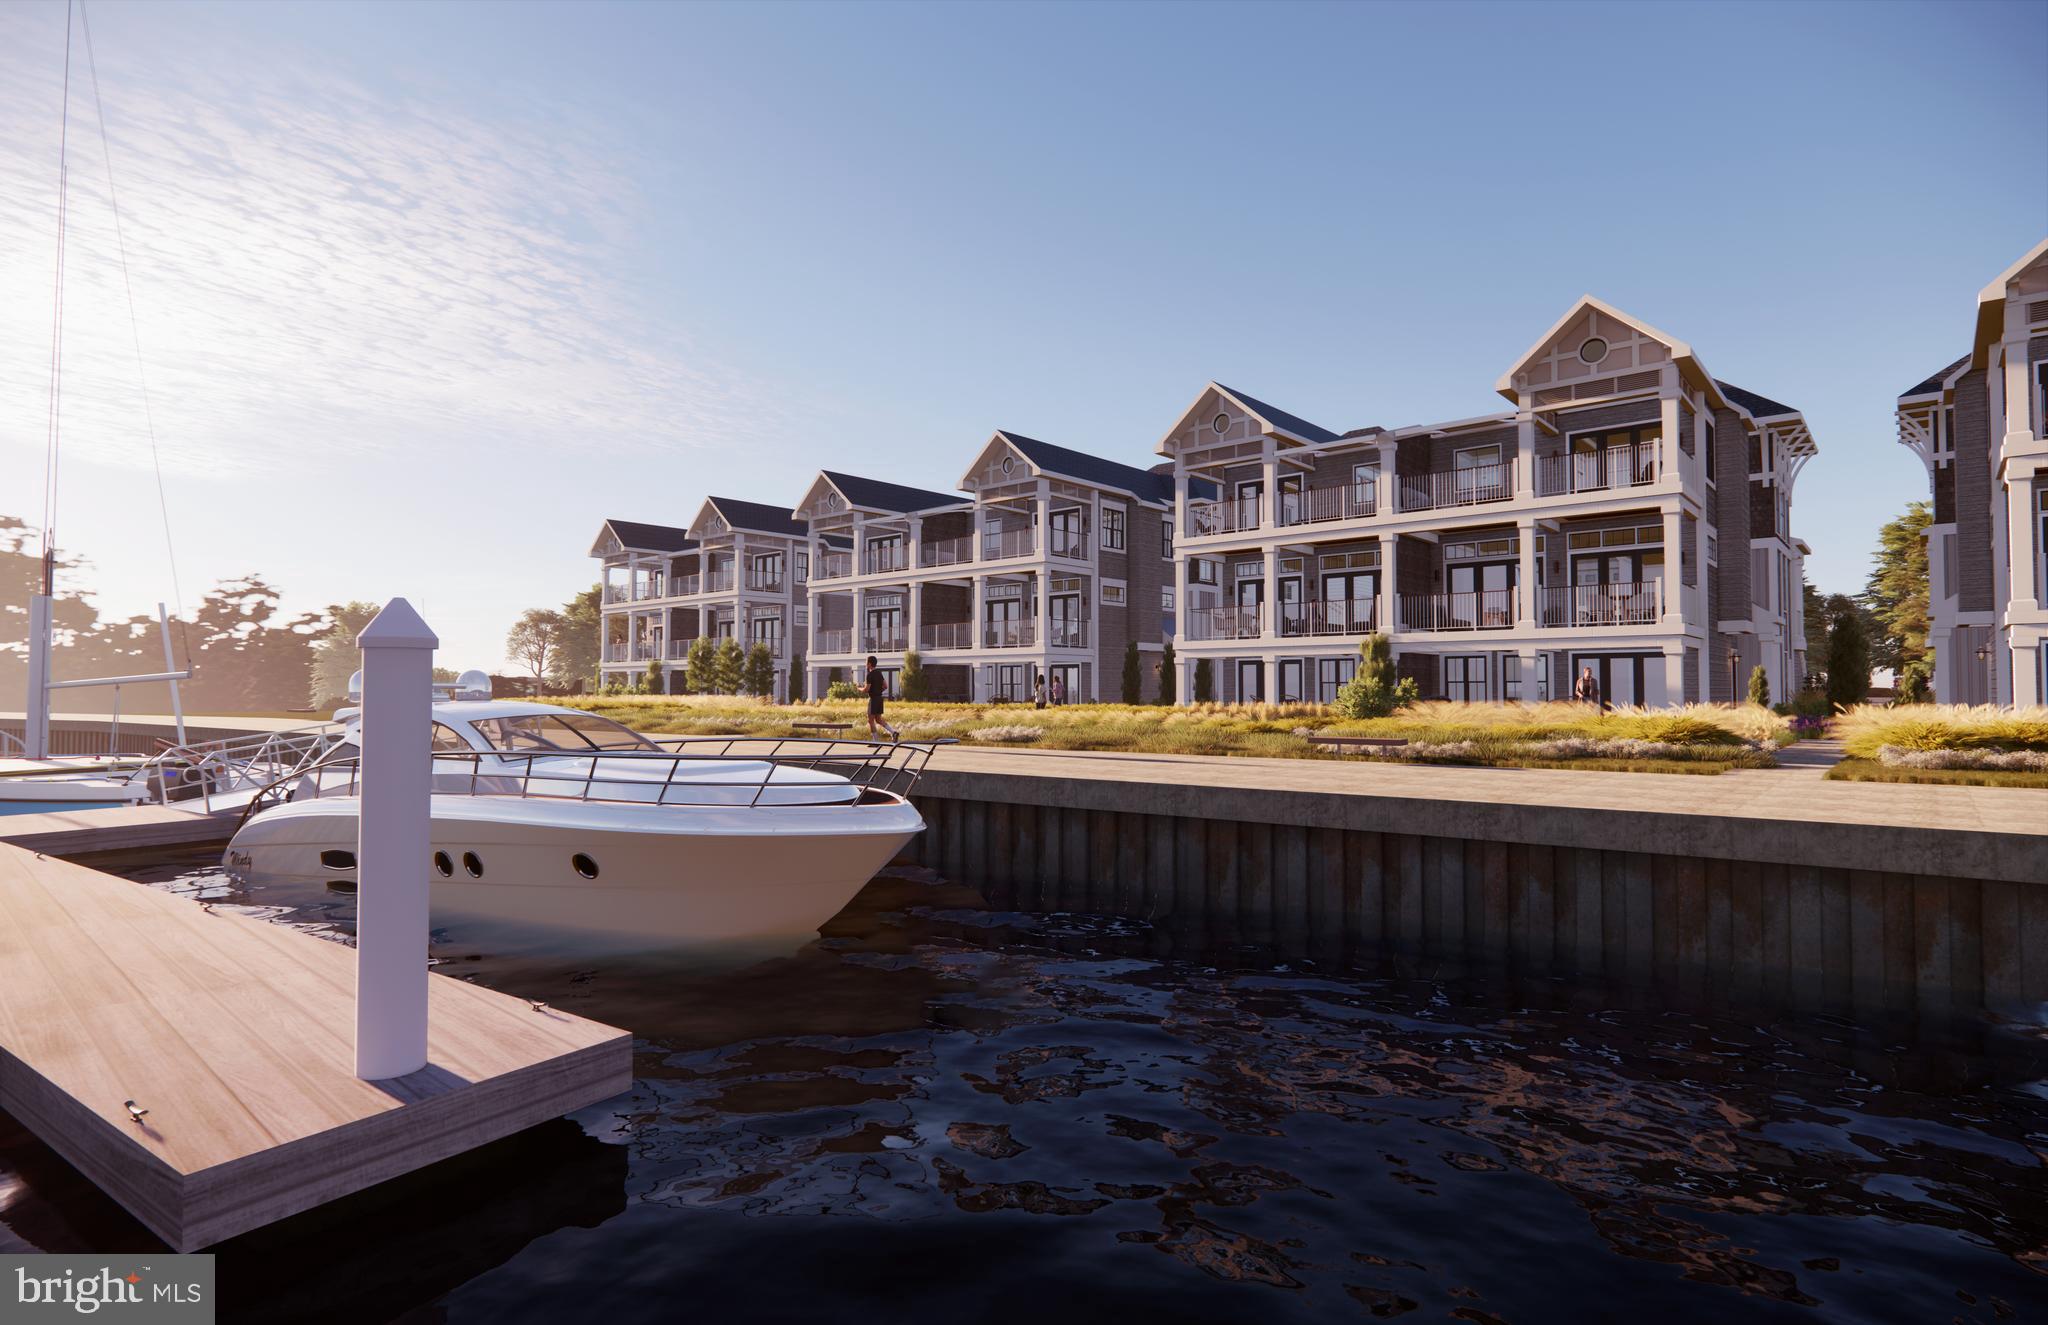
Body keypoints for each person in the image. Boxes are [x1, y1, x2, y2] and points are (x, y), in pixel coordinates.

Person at [861, 654, 899, 740]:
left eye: (866, 662)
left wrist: (859, 688)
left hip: (873, 699)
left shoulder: (869, 675)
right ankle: (893, 732)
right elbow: (885, 686)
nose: (865, 664)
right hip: (879, 699)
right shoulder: (879, 673)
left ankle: (875, 742)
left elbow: (866, 690)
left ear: (870, 664)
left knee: (870, 721)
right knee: (878, 719)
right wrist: (878, 691)